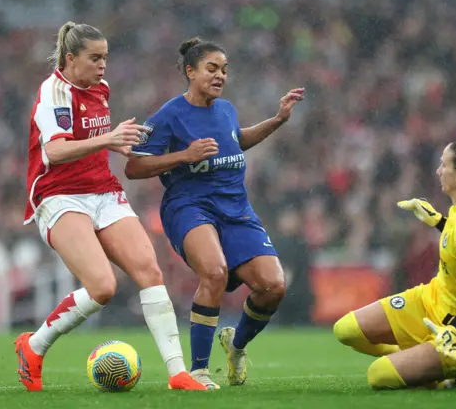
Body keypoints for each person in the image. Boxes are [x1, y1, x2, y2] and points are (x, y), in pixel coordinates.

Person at [16, 21, 205, 392]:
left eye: (106, 57)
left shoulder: (100, 88)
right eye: (95, 58)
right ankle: (33, 345)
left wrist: (115, 143)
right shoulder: (54, 91)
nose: (103, 65)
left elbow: (91, 139)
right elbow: (53, 151)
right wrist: (108, 137)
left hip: (103, 190)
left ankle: (178, 374)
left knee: (149, 270)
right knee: (102, 287)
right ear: (70, 58)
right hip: (59, 195)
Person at [125, 37, 305, 389]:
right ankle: (198, 371)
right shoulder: (170, 115)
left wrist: (278, 120)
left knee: (273, 287)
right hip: (188, 207)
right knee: (215, 272)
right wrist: (184, 156)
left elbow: (238, 139)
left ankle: (236, 347)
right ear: (190, 72)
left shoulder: (226, 110)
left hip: (236, 209)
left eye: (224, 70)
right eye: (212, 68)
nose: (220, 75)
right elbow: (134, 166)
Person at [333, 139, 456, 390]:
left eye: (444, 165)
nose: (439, 171)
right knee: (346, 330)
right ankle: (420, 357)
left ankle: (444, 378)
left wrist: (455, 329)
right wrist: (437, 221)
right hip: (433, 299)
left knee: (379, 375)